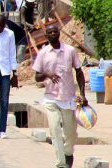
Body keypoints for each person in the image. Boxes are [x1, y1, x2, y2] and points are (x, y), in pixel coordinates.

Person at [33, 24, 87, 168]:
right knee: (55, 130)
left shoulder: (70, 51)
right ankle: (61, 163)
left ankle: (68, 153)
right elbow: (37, 77)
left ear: (59, 33)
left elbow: (79, 72)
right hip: (51, 98)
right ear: (46, 36)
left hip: (68, 98)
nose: (52, 34)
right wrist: (47, 74)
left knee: (70, 134)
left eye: (55, 32)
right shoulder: (43, 53)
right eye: (49, 33)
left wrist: (82, 93)